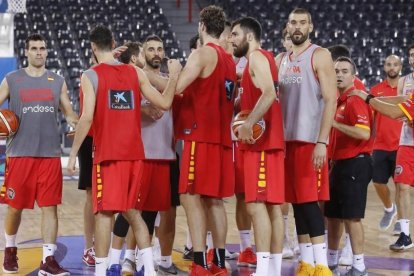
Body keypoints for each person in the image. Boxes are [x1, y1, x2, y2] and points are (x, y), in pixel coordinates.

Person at [66, 25, 181, 276]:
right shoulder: (135, 72)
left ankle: (101, 272)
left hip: (109, 156)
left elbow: (86, 119)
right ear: (114, 41)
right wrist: (173, 77)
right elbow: (165, 102)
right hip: (136, 157)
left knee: (105, 215)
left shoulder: (90, 75)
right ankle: (149, 270)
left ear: (93, 47)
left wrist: (73, 153)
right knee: (135, 214)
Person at [0, 33, 78, 275]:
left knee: (50, 208)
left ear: (46, 51)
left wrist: (75, 123)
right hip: (20, 154)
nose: (38, 52)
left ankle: (48, 259)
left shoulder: (57, 80)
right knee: (15, 208)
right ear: (26, 52)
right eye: (34, 48)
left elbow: (68, 111)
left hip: (50, 154)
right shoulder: (12, 79)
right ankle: (10, 248)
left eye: (42, 48)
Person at [174, 5, 237, 275]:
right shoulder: (229, 60)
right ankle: (219, 263)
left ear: (201, 26)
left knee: (190, 197)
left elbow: (176, 88)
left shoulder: (201, 54)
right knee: (215, 201)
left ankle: (199, 262)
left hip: (199, 137)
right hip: (222, 139)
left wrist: (174, 69)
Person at [276, 8, 337, 275]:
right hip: (286, 142)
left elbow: (331, 99)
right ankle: (307, 262)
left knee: (310, 201)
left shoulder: (319, 54)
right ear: (287, 28)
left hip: (309, 140)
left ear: (310, 26)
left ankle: (322, 265)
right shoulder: (283, 59)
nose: (297, 27)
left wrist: (321, 142)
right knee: (298, 202)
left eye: (302, 22)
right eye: (293, 23)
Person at [231, 17, 285, 276]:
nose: (231, 39)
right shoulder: (265, 58)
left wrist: (247, 123)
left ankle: (264, 270)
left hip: (261, 143)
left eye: (235, 34)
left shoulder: (256, 58)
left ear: (249, 36)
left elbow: (269, 94)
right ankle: (272, 269)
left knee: (255, 204)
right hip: (268, 141)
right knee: (272, 206)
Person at [351, 43, 414, 253]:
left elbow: (397, 112)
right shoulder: (405, 82)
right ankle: (405, 234)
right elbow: (402, 100)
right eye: (412, 55)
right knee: (401, 185)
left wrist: (368, 99)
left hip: (401, 139)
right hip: (405, 142)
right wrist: (374, 98)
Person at [325, 57, 373, 276]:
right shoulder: (338, 100)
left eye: (344, 71)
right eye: (336, 71)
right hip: (339, 164)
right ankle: (331, 261)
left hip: (356, 163)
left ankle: (359, 266)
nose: (339, 75)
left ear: (353, 77)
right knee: (333, 215)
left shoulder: (354, 100)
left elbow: (364, 133)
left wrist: (334, 123)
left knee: (352, 217)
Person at [370, 55, 402, 232]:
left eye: (395, 64)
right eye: (389, 64)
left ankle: (401, 221)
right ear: (384, 66)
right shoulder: (375, 90)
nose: (392, 67)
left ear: (400, 67)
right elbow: (370, 120)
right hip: (380, 145)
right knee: (378, 181)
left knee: (400, 185)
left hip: (400, 146)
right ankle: (390, 209)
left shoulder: (405, 89)